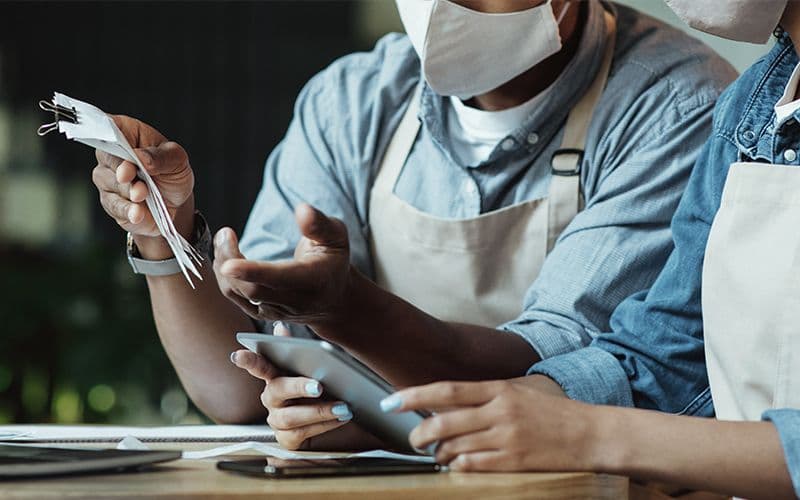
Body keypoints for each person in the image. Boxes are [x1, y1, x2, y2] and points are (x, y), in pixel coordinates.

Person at [91, 0, 734, 449]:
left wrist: (348, 325)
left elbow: (564, 373)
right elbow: (238, 387)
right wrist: (163, 230)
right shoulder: (352, 101)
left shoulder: (677, 105)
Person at [380, 1, 800, 498]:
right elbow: (668, 354)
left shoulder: (677, 96)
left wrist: (589, 434)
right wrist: (422, 423)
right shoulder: (753, 106)